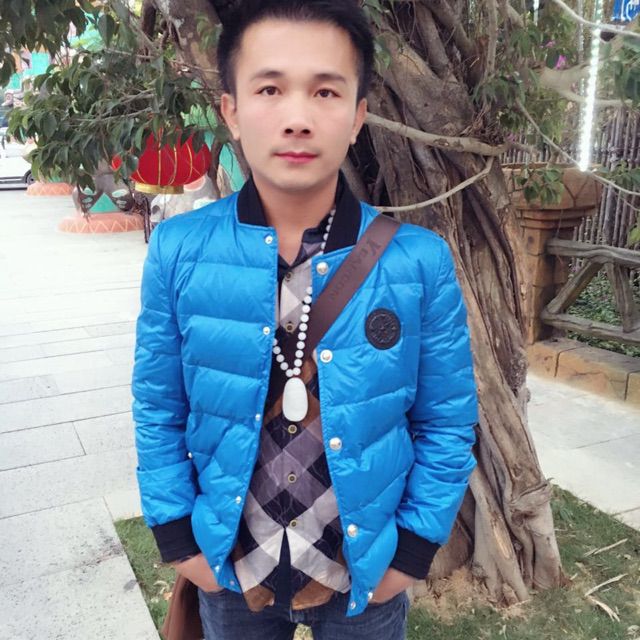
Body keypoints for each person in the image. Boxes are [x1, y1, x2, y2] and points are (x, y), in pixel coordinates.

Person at [132, 1, 478, 638]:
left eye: (325, 91)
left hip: (362, 574)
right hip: (232, 568)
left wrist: (410, 553)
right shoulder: (179, 251)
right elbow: (159, 407)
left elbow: (447, 420)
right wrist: (179, 541)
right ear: (232, 110)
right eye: (269, 89)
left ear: (358, 116)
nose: (297, 117)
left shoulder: (417, 262)